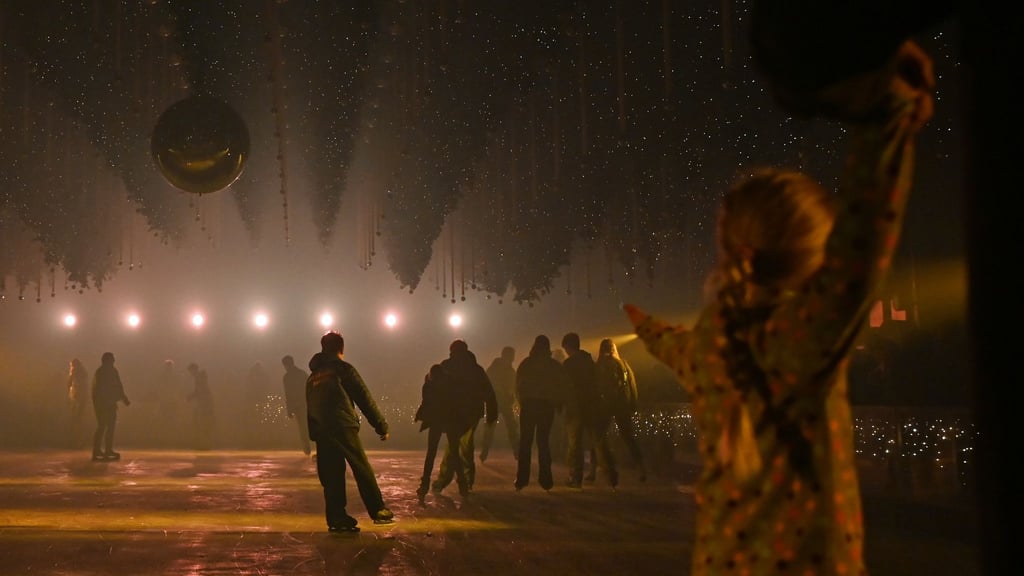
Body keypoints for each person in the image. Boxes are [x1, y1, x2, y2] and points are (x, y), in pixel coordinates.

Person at [625, 40, 934, 575]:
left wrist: (641, 325)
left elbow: (670, 344)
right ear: (815, 260)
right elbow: (868, 229)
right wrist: (889, 114)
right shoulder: (806, 336)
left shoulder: (709, 349)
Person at [306, 331, 394, 532]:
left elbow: (309, 407)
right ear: (341, 349)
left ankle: (337, 518)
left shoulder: (312, 377)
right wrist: (381, 425)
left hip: (321, 430)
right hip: (342, 425)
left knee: (332, 474)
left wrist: (314, 432)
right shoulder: (342, 369)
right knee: (361, 467)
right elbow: (363, 397)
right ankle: (378, 510)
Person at [431, 339, 498, 495]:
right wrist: (491, 414)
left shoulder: (447, 366)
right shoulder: (476, 369)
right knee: (465, 446)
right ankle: (466, 480)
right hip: (471, 414)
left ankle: (446, 480)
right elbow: (489, 393)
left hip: (453, 413)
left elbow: (436, 389)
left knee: (454, 447)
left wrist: (434, 413)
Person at [514, 334, 571, 491]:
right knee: (543, 442)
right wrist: (558, 404)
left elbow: (519, 385)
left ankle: (522, 478)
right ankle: (546, 478)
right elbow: (561, 386)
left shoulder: (526, 364)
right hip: (546, 406)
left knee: (525, 442)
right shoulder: (553, 366)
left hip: (529, 405)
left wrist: (522, 401)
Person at [561, 332, 616, 489]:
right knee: (599, 442)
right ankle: (611, 476)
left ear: (568, 347)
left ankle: (575, 477)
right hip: (593, 406)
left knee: (575, 444)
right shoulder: (590, 362)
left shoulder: (569, 364)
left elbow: (564, 387)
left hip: (575, 409)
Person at [590, 338, 645, 483]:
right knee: (629, 438)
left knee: (597, 437)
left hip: (606, 406)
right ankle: (641, 468)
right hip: (622, 405)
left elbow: (597, 386)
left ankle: (596, 470)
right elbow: (632, 386)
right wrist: (633, 405)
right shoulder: (624, 365)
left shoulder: (600, 365)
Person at [413, 363, 471, 500]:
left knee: (431, 453)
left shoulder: (429, 385)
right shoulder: (451, 384)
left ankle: (424, 485)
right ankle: (463, 486)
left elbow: (426, 402)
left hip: (436, 421)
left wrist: (420, 415)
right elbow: (458, 402)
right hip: (451, 421)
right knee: (455, 453)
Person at [479, 346, 519, 461]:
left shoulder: (495, 368)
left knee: (491, 428)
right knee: (510, 427)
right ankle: (516, 451)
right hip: (500, 401)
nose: (512, 359)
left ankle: (484, 452)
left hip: (496, 402)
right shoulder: (507, 370)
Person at [90, 352, 130, 461]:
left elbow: (118, 385)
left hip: (110, 403)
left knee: (110, 427)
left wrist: (123, 398)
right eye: (112, 359)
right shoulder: (101, 373)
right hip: (103, 404)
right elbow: (99, 390)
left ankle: (107, 450)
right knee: (102, 426)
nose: (113, 361)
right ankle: (97, 450)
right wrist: (121, 398)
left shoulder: (111, 371)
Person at [281, 355, 312, 456]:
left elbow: (288, 394)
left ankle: (307, 447)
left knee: (302, 427)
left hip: (297, 405)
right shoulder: (302, 374)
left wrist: (289, 409)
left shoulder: (287, 377)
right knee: (309, 425)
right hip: (306, 403)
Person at [186, 362, 215, 450]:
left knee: (204, 423)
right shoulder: (200, 377)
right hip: (205, 403)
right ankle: (205, 442)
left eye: (191, 372)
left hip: (205, 403)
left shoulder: (199, 378)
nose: (190, 374)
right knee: (204, 423)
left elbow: (199, 390)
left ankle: (204, 443)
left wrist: (190, 397)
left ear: (194, 369)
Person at [67, 358, 89, 448]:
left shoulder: (74, 372)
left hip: (76, 397)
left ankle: (75, 441)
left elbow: (69, 383)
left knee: (75, 420)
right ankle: (78, 442)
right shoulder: (84, 373)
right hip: (82, 397)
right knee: (79, 420)